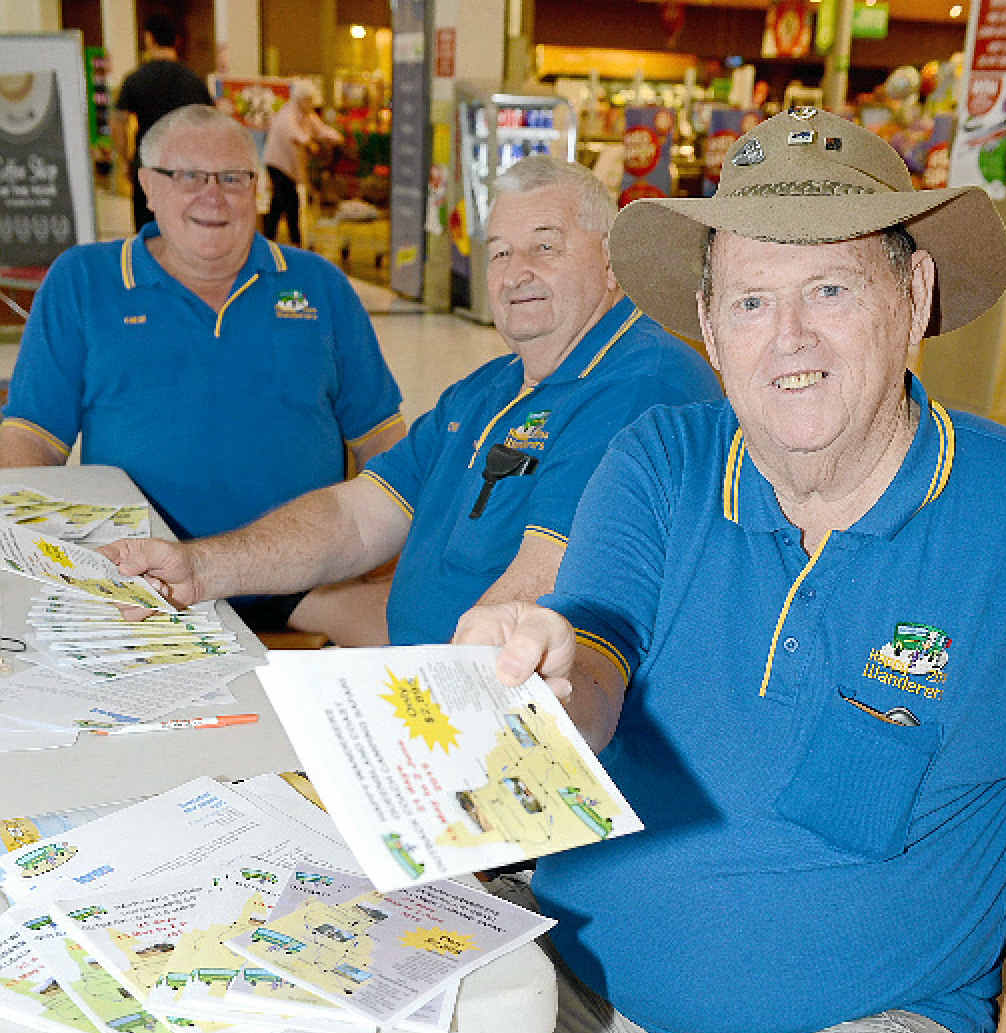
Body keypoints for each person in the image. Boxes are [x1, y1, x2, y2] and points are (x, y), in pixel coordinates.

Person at [454, 108, 1006, 1033]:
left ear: (913, 293)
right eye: (753, 302)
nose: (788, 341)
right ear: (712, 326)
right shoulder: (661, 462)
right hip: (577, 992)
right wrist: (545, 679)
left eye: (831, 288)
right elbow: (594, 661)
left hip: (862, 1031)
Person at [101, 155, 722, 646]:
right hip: (420, 675)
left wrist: (410, 711)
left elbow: (539, 588)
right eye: (500, 251)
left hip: (507, 725)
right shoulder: (489, 389)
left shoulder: (641, 386)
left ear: (611, 263)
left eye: (546, 246)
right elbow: (355, 518)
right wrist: (202, 570)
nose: (516, 271)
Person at [0, 104, 404, 633]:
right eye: (188, 175)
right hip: (145, 578)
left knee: (444, 652)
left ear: (257, 188)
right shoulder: (84, 281)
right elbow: (31, 446)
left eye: (233, 178)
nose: (212, 196)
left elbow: (387, 445)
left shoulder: (319, 286)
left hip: (303, 579)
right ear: (148, 185)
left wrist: (395, 566)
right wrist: (29, 561)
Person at [111, 13, 213, 232]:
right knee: (185, 229)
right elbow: (210, 123)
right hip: (186, 167)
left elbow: (118, 121)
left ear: (149, 39)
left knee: (148, 234)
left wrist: (125, 159)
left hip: (148, 164)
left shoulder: (135, 78)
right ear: (176, 41)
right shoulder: (193, 81)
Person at [262, 81, 342, 247]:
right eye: (309, 100)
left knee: (279, 203)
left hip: (290, 166)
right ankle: (294, 240)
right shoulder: (287, 114)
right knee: (289, 201)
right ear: (300, 99)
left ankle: (270, 238)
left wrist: (336, 136)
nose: (311, 104)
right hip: (278, 163)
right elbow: (295, 134)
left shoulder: (308, 115)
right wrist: (310, 143)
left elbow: (321, 129)